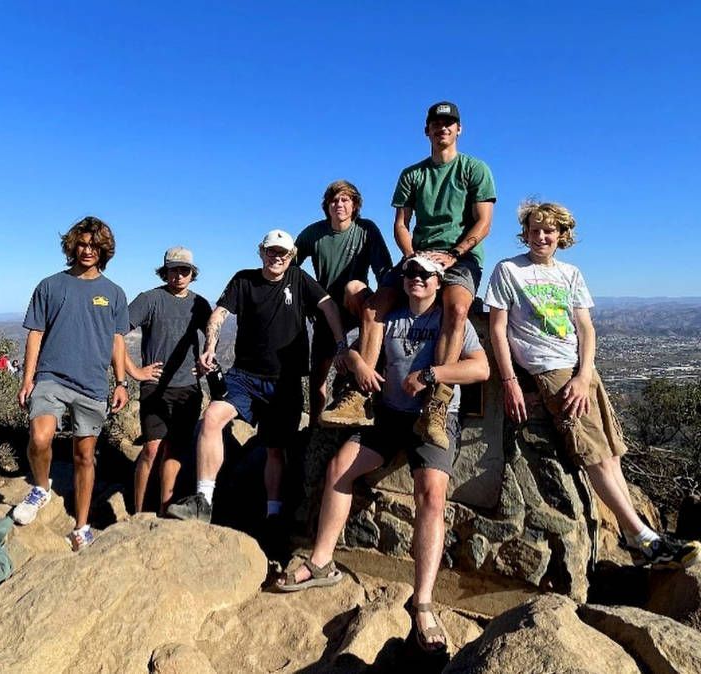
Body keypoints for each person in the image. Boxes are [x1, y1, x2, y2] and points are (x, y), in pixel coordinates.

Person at [276, 256, 489, 654]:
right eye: (410, 273)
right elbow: (351, 354)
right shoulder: (389, 318)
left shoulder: (448, 321)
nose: (417, 280)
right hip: (388, 416)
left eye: (425, 274)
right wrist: (357, 362)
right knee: (340, 466)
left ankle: (423, 600)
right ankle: (322, 561)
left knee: (431, 493)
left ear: (439, 281)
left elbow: (481, 370)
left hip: (434, 417)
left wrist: (431, 376)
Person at [485, 200, 700, 568]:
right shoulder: (508, 271)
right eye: (534, 230)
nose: (541, 236)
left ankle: (640, 534)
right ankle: (643, 538)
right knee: (593, 454)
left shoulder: (570, 274)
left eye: (548, 230)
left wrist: (585, 374)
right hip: (549, 369)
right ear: (525, 233)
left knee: (611, 452)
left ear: (561, 235)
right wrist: (509, 380)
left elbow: (585, 328)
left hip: (581, 369)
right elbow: (497, 330)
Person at [323, 101, 495, 450]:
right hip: (418, 255)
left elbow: (483, 222)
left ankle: (437, 402)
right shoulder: (412, 174)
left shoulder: (474, 169)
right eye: (436, 123)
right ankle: (360, 395)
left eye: (449, 123)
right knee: (374, 306)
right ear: (426, 130)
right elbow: (401, 224)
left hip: (460, 257)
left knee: (457, 309)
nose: (442, 128)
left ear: (458, 129)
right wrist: (412, 256)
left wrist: (453, 255)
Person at [165, 229, 347, 527]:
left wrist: (342, 345)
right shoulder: (244, 280)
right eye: (271, 251)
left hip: (284, 381)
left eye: (283, 253)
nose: (276, 257)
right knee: (212, 417)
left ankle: (273, 515)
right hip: (245, 377)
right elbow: (219, 314)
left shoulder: (299, 280)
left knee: (275, 449)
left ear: (291, 257)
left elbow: (328, 305)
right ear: (261, 252)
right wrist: (210, 347)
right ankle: (203, 501)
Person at [12, 216, 129, 552]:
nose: (87, 250)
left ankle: (82, 527)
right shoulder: (50, 285)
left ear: (104, 250)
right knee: (40, 436)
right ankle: (40, 488)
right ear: (72, 245)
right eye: (82, 243)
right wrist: (28, 378)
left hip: (92, 385)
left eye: (95, 245)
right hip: (51, 377)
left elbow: (117, 342)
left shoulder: (114, 293)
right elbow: (36, 333)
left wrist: (121, 382)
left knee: (84, 456)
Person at [295, 180, 392, 424]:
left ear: (355, 205)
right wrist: (306, 301)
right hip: (327, 310)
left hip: (356, 304)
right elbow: (289, 267)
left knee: (354, 287)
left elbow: (384, 270)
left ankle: (362, 389)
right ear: (327, 206)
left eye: (345, 200)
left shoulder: (366, 230)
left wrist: (391, 305)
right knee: (317, 377)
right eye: (334, 200)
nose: (339, 204)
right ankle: (316, 427)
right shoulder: (313, 234)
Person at [125, 246, 212, 515]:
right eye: (174, 270)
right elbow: (115, 333)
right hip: (155, 387)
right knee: (152, 449)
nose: (179, 275)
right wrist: (134, 371)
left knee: (174, 452)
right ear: (165, 272)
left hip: (188, 388)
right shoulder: (149, 299)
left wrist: (206, 360)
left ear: (191, 273)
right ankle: (138, 513)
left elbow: (212, 334)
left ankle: (163, 512)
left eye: (184, 270)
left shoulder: (199, 303)